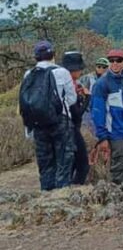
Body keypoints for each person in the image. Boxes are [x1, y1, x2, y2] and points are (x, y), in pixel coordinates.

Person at [19, 40, 77, 191]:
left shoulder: (28, 74)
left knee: (45, 162)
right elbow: (72, 98)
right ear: (53, 54)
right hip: (60, 121)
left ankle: (46, 194)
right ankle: (61, 194)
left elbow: (26, 102)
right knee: (64, 159)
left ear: (36, 57)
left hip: (38, 123)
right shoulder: (62, 72)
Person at [90, 49, 123, 184]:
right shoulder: (102, 84)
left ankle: (122, 196)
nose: (114, 63)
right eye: (111, 60)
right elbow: (97, 111)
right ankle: (115, 198)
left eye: (118, 60)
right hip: (113, 131)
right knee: (120, 165)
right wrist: (102, 137)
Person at [61, 51, 90, 186]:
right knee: (83, 164)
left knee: (69, 163)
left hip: (62, 129)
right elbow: (77, 113)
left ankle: (66, 189)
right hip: (72, 129)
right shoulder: (70, 85)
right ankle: (73, 191)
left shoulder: (60, 83)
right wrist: (87, 98)